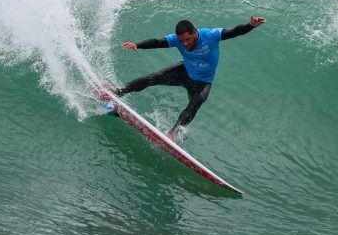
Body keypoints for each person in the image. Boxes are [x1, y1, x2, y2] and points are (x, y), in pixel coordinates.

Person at [113, 16, 266, 142]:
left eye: (187, 40)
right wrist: (137, 45)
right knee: (153, 78)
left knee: (195, 104)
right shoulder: (178, 40)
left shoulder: (210, 36)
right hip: (184, 72)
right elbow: (158, 42)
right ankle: (118, 92)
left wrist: (250, 25)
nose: (184, 44)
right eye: (181, 41)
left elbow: (234, 32)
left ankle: (172, 134)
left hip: (202, 82)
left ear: (194, 33)